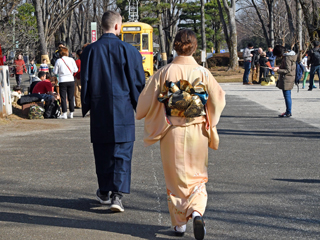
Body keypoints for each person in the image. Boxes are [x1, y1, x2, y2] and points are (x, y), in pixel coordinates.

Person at [136, 29, 226, 240]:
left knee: (175, 179)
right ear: (194, 47)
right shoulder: (203, 73)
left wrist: (143, 112)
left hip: (172, 130)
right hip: (197, 131)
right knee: (196, 175)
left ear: (175, 45)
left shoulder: (164, 72)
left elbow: (144, 102)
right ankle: (196, 211)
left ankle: (179, 224)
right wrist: (210, 119)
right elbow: (219, 99)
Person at [81, 11, 145, 212]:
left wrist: (87, 104)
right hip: (123, 107)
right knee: (122, 152)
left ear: (103, 26)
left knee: (102, 151)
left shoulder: (90, 50)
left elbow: (86, 82)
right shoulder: (130, 50)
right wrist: (139, 104)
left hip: (100, 107)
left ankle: (104, 191)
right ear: (118, 27)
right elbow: (137, 81)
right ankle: (117, 196)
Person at [53, 46, 78, 119]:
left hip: (62, 80)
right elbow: (75, 69)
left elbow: (55, 72)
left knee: (63, 97)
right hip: (71, 79)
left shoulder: (59, 61)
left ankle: (64, 113)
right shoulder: (71, 60)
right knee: (71, 97)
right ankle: (71, 112)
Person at [272, 45, 296, 118]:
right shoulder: (290, 56)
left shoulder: (287, 58)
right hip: (290, 78)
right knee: (287, 95)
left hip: (287, 79)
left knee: (287, 95)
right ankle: (288, 111)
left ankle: (288, 112)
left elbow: (288, 70)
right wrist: (279, 67)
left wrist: (277, 70)